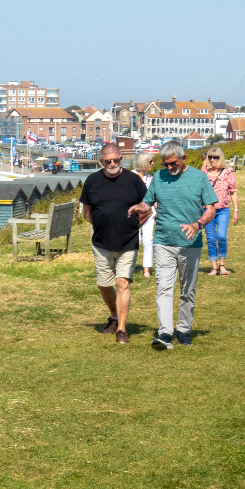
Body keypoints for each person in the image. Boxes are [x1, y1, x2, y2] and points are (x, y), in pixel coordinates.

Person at [129, 141, 217, 350]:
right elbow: (147, 203)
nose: (169, 167)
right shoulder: (159, 177)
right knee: (164, 289)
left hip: (191, 243)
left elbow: (211, 209)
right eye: (165, 164)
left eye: (173, 163)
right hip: (164, 242)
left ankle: (184, 330)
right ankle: (165, 333)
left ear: (184, 158)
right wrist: (138, 207)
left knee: (188, 290)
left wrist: (197, 224)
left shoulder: (199, 177)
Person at [79, 144, 149, 344]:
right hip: (101, 243)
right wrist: (102, 226)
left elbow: (148, 209)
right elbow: (87, 213)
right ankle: (114, 315)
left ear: (121, 159)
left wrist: (134, 227)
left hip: (128, 242)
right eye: (108, 161)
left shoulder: (133, 180)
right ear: (101, 161)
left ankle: (121, 329)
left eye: (116, 160)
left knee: (122, 283)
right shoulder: (92, 181)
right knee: (104, 284)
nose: (112, 164)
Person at [200, 146, 238, 276]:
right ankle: (214, 267)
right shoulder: (204, 172)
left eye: (216, 157)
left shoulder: (227, 172)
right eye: (210, 157)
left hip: (223, 210)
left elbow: (233, 192)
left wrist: (236, 210)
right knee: (210, 238)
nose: (213, 160)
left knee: (221, 236)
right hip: (207, 210)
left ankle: (222, 264)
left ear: (220, 158)